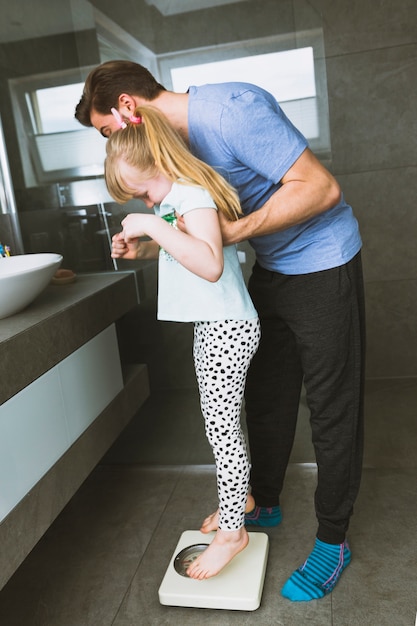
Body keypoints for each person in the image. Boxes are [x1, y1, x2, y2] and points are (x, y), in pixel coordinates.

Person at [75, 60, 366, 601]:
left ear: (127, 108)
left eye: (108, 131)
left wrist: (224, 232)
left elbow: (321, 189)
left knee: (331, 407)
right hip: (273, 266)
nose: (116, 143)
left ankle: (333, 539)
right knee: (266, 396)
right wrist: (158, 235)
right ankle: (265, 502)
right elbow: (198, 225)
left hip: (323, 262)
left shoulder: (231, 114)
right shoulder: (178, 151)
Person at [104, 104, 260, 580]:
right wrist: (146, 246)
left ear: (160, 161)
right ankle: (243, 499)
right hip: (213, 325)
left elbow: (210, 263)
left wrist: (151, 227)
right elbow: (186, 248)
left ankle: (233, 532)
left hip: (226, 326)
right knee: (222, 425)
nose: (146, 204)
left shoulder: (191, 195)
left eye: (144, 191)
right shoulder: (177, 200)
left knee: (221, 431)